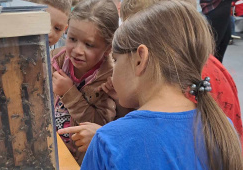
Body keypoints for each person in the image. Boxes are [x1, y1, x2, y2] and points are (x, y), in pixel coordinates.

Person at [75, 1, 243, 170]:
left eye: (115, 60)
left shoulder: (107, 142)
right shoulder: (223, 128)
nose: (113, 71)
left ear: (140, 59)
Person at [59, 0, 243, 153]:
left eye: (116, 57)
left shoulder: (173, 87)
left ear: (141, 55)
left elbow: (159, 147)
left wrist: (106, 138)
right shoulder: (206, 69)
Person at [51, 0, 119, 165]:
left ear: (108, 48)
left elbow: (100, 127)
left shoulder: (109, 80)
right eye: (72, 39)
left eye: (89, 44)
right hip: (54, 149)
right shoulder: (58, 60)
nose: (77, 50)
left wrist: (69, 93)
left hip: (80, 163)